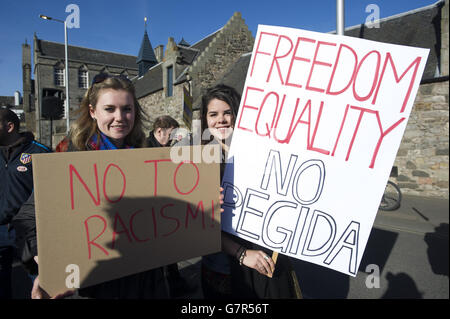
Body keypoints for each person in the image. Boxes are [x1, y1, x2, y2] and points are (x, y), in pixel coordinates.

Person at [21, 73, 169, 299]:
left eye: (127, 109)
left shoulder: (148, 152)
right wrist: (46, 258)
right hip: (97, 283)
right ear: (93, 111)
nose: (120, 117)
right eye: (110, 109)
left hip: (146, 278)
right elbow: (28, 216)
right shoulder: (73, 156)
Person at [200, 84, 302, 299]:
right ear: (205, 120)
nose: (221, 120)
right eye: (213, 114)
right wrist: (241, 253)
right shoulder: (198, 161)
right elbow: (195, 224)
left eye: (228, 112)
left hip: (267, 258)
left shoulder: (263, 152)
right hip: (224, 267)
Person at [0, 109, 50, 299]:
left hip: (29, 233)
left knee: (40, 283)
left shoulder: (39, 151)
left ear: (9, 127)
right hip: (1, 230)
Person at [146, 115, 195, 298]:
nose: (175, 137)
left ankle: (174, 285)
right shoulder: (145, 148)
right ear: (160, 131)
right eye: (172, 133)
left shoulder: (165, 147)